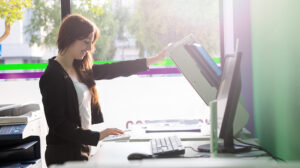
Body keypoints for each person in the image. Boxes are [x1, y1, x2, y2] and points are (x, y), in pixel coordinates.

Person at [39, 14, 167, 166]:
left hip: (82, 148)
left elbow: (114, 69)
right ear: (69, 38)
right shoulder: (52, 76)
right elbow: (59, 125)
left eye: (91, 43)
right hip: (63, 155)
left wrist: (154, 59)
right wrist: (97, 136)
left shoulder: (80, 68)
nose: (89, 48)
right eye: (86, 42)